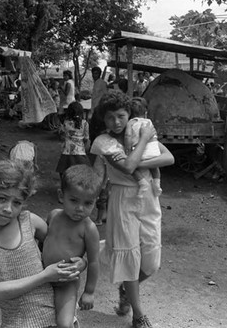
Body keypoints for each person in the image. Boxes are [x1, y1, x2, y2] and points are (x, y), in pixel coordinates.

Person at [0, 160, 86, 328]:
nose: (8, 208)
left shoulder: (29, 222)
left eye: (16, 203)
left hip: (57, 320)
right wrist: (44, 276)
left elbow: (63, 250)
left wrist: (81, 262)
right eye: (2, 199)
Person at [90, 90, 175, 328]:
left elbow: (169, 158)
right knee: (128, 257)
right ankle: (138, 315)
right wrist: (145, 142)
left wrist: (140, 151)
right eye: (109, 117)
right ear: (103, 120)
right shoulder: (103, 141)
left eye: (120, 115)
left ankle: (127, 290)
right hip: (122, 199)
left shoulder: (140, 131)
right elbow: (127, 168)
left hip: (148, 198)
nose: (116, 122)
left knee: (151, 262)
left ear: (129, 114)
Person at [42, 164, 102, 328]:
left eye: (88, 203)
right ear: (61, 195)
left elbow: (94, 261)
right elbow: (44, 242)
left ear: (95, 202)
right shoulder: (53, 215)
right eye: (74, 200)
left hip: (66, 282)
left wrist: (89, 292)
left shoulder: (88, 228)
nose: (80, 209)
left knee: (64, 323)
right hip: (42, 276)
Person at [124, 97, 162, 198]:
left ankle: (142, 183)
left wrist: (127, 147)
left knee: (133, 167)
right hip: (154, 150)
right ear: (145, 112)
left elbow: (128, 135)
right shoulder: (148, 121)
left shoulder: (131, 122)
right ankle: (157, 184)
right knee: (155, 168)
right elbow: (154, 134)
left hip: (140, 151)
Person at [56, 101, 91, 177]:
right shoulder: (85, 123)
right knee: (81, 175)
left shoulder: (65, 123)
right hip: (80, 153)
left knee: (64, 173)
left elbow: (62, 136)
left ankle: (64, 187)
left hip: (66, 152)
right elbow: (86, 139)